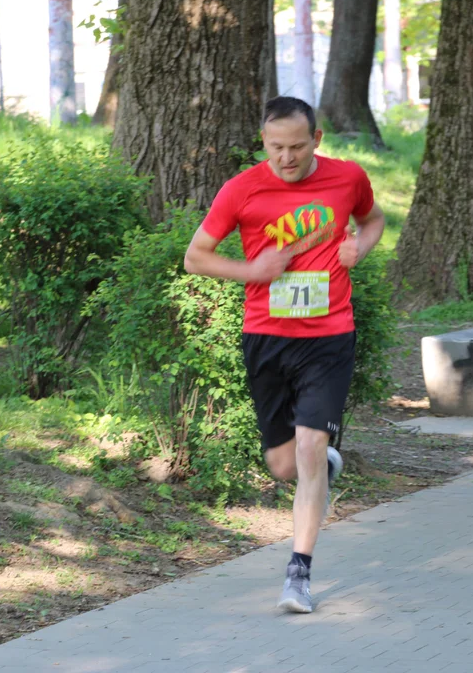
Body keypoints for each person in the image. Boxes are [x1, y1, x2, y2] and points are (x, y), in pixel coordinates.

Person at [183, 96, 385, 613]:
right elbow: (195, 258)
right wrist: (253, 271)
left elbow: (373, 220)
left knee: (310, 447)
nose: (287, 158)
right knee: (282, 464)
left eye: (297, 147)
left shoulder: (347, 178)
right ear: (263, 143)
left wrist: (358, 249)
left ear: (316, 139)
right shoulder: (243, 189)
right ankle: (319, 462)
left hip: (329, 336)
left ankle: (298, 574)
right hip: (267, 336)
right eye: (276, 148)